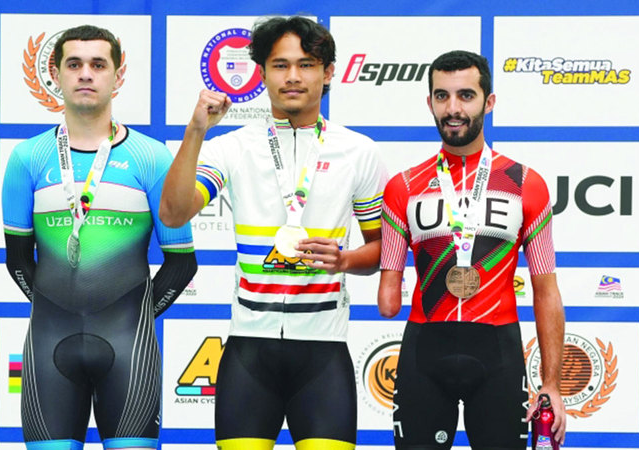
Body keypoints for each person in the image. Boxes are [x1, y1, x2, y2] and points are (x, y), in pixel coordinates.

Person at [160, 16, 387, 450]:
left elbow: (382, 251)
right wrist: (196, 131)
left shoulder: (359, 152)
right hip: (249, 351)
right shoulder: (231, 147)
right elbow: (172, 215)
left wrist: (344, 260)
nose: (293, 77)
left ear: (328, 73)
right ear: (262, 73)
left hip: (324, 350)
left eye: (307, 65)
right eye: (280, 65)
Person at [2, 25, 196, 450]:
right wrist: (55, 305)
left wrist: (135, 314)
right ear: (55, 74)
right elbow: (17, 260)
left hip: (129, 350)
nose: (86, 74)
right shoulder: (27, 158)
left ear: (117, 75)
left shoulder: (152, 157)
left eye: (98, 64)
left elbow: (182, 263)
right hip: (48, 345)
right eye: (74, 64)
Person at [377, 50, 566, 449]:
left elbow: (546, 291)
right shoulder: (402, 187)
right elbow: (388, 303)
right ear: (429, 103)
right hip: (424, 353)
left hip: (498, 353)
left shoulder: (525, 183)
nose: (453, 109)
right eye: (442, 96)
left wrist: (551, 383)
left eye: (466, 95)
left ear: (489, 102)